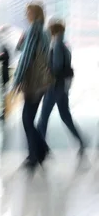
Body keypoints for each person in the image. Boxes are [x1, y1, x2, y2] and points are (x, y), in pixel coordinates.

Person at [12, 2, 52, 171]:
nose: (25, 14)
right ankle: (40, 150)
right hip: (42, 81)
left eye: (27, 11)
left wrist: (17, 79)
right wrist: (22, 40)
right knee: (29, 118)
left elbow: (27, 56)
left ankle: (35, 155)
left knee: (27, 119)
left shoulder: (34, 30)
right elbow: (25, 49)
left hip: (33, 82)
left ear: (34, 13)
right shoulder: (43, 31)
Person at [36, 19, 85, 156]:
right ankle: (81, 141)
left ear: (54, 31)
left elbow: (56, 68)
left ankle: (40, 148)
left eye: (50, 30)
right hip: (62, 87)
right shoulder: (64, 45)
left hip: (54, 86)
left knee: (44, 117)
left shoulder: (57, 45)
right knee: (65, 116)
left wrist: (45, 69)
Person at [0, 26, 11, 121]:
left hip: (4, 72)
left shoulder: (4, 48)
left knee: (3, 92)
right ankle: (4, 111)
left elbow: (2, 58)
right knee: (3, 92)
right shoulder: (5, 47)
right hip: (5, 71)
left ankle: (4, 112)